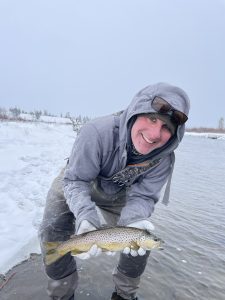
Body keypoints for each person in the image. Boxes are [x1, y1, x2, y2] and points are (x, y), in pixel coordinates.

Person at [39, 82, 190, 300]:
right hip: (76, 181)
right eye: (153, 118)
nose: (155, 133)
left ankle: (124, 295)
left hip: (119, 192)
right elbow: (76, 180)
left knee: (139, 241)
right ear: (136, 111)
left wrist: (135, 219)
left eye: (167, 128)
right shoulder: (96, 132)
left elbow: (144, 197)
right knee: (51, 231)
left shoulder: (163, 160)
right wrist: (85, 218)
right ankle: (61, 293)